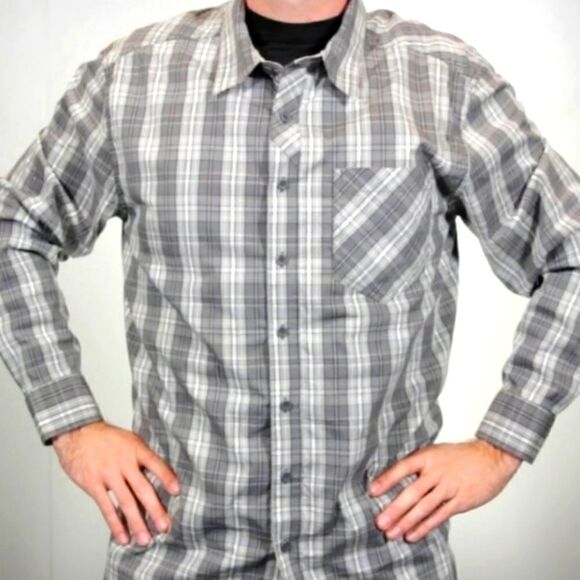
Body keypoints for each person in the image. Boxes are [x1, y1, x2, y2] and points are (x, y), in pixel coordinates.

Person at [1, 0, 578, 577]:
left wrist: (501, 445)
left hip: (379, 555)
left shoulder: (443, 80)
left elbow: (570, 248)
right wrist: (72, 424)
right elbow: (15, 229)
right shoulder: (130, 78)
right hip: (180, 552)